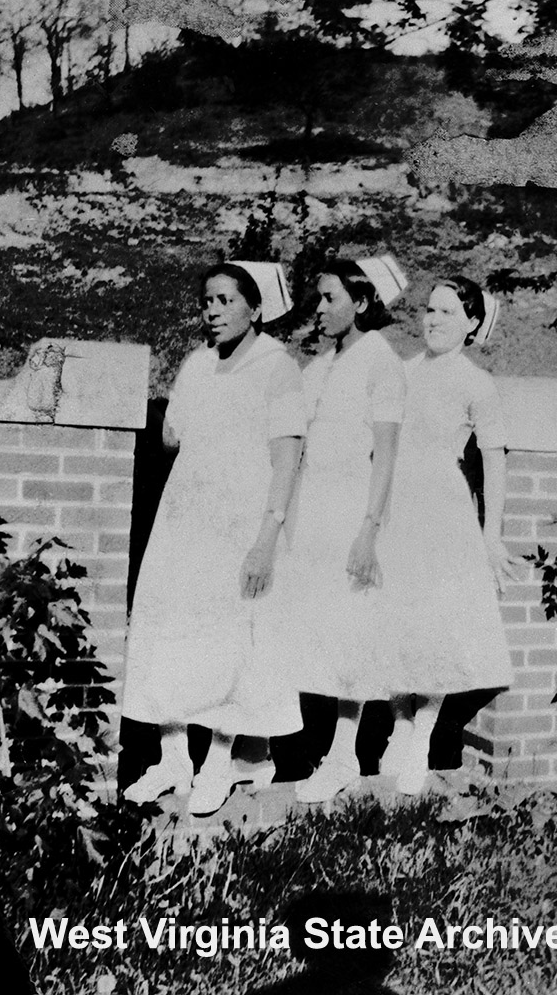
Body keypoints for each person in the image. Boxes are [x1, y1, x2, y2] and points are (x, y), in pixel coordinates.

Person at [121, 261, 307, 816]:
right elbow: (172, 437)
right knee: (172, 629)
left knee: (233, 640)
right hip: (185, 523)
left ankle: (218, 765)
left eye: (227, 300)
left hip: (241, 527)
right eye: (208, 300)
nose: (214, 310)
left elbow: (288, 459)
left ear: (255, 308)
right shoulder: (198, 363)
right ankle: (173, 758)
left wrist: (265, 539)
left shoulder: (279, 368)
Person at [261, 255, 409, 804]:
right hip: (309, 507)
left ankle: (345, 752)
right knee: (308, 625)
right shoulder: (319, 364)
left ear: (363, 303)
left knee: (349, 627)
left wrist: (369, 528)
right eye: (318, 298)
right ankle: (286, 748)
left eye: (330, 299)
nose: (318, 309)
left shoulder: (382, 362)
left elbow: (387, 454)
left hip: (352, 507)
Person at [376, 275, 521, 795]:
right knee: (392, 614)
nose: (432, 320)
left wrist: (491, 535)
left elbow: (495, 460)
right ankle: (398, 725)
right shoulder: (402, 371)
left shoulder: (476, 383)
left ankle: (422, 738)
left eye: (445, 312)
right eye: (428, 310)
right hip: (393, 506)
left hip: (441, 510)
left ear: (471, 323)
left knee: (435, 622)